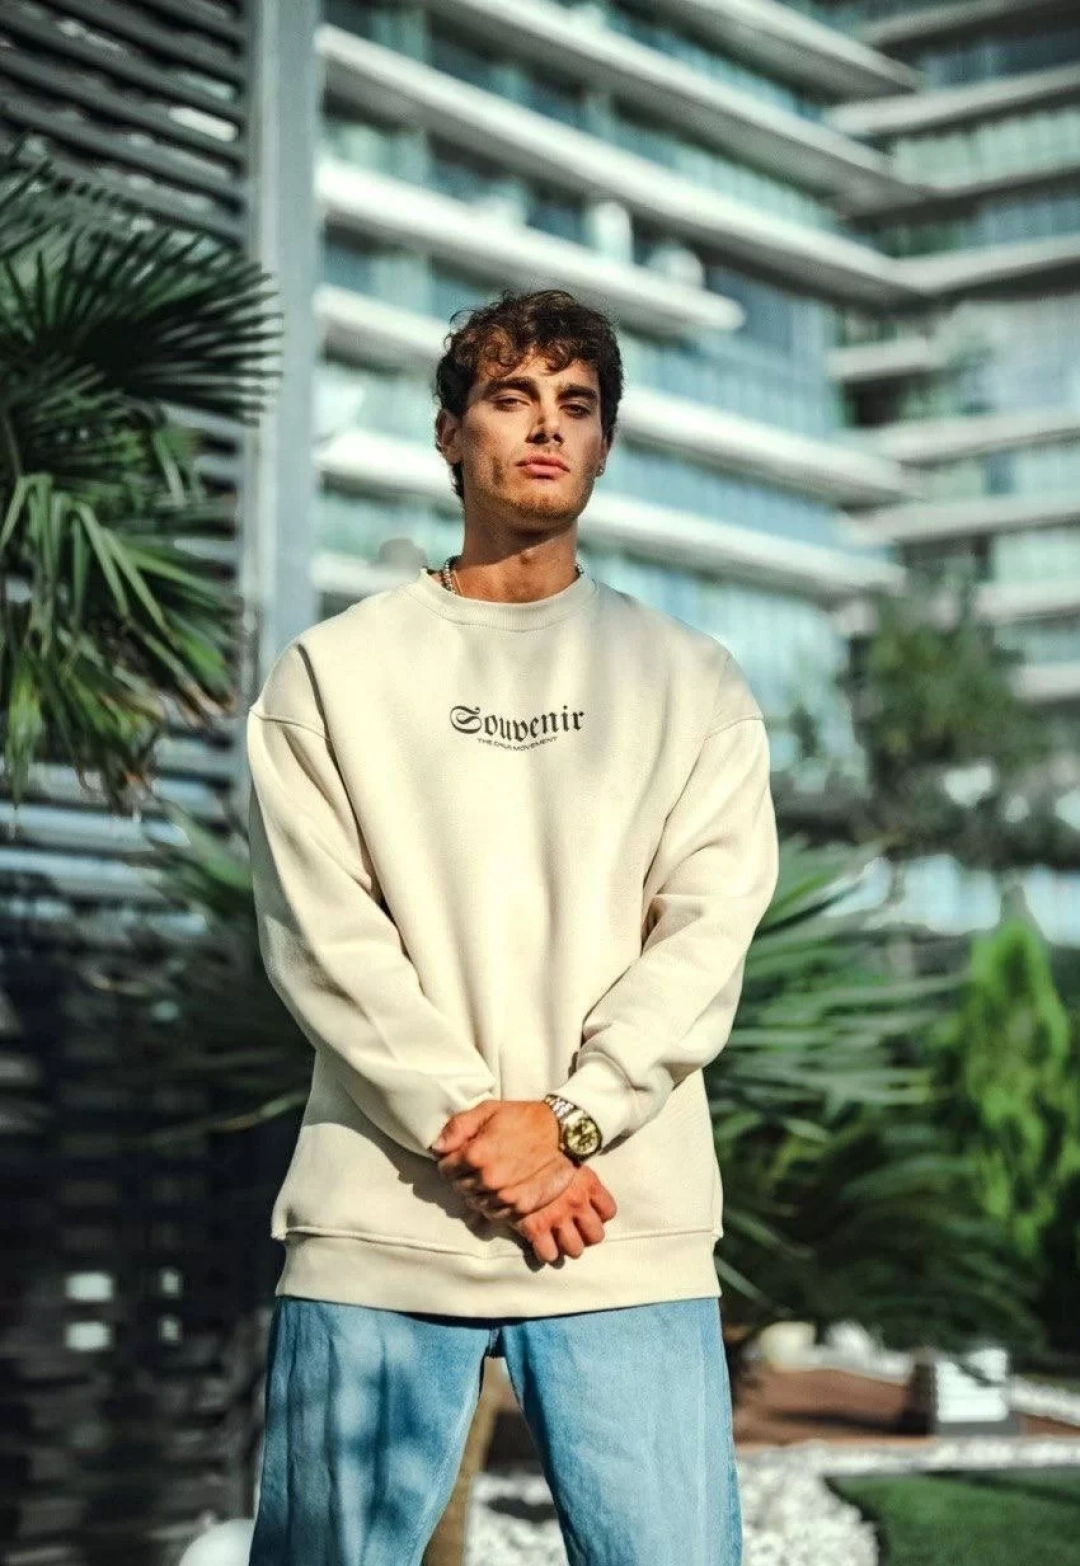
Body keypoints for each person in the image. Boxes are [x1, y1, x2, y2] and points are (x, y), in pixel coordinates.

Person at [245, 287, 780, 1565]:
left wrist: (572, 1121)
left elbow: (706, 938)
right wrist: (496, 1142)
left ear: (603, 443)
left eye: (575, 405)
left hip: (623, 1226)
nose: (546, 426)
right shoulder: (334, 674)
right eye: (511, 396)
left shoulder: (690, 681)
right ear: (450, 433)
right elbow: (327, 943)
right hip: (382, 1229)